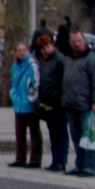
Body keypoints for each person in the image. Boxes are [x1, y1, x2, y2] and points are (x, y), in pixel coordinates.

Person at [61, 30, 95, 177]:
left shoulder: (91, 59)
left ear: (84, 41)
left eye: (79, 41)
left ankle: (89, 167)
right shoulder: (68, 58)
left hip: (86, 105)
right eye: (73, 41)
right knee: (76, 138)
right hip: (70, 105)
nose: (76, 44)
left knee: (89, 138)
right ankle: (79, 165)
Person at [34, 35, 67, 171]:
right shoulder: (43, 61)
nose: (46, 50)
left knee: (61, 133)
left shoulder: (60, 59)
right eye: (43, 48)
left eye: (47, 46)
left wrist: (60, 101)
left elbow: (64, 82)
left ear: (52, 45)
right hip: (47, 103)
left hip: (58, 103)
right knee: (53, 133)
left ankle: (61, 161)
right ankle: (55, 160)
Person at [8, 43, 41, 168]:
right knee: (20, 134)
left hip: (30, 103)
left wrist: (32, 94)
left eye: (24, 50)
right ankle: (20, 158)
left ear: (27, 51)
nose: (22, 52)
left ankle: (35, 160)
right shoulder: (15, 67)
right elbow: (13, 82)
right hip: (18, 104)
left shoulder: (32, 65)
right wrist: (13, 96)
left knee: (34, 134)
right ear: (16, 52)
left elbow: (36, 82)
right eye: (19, 51)